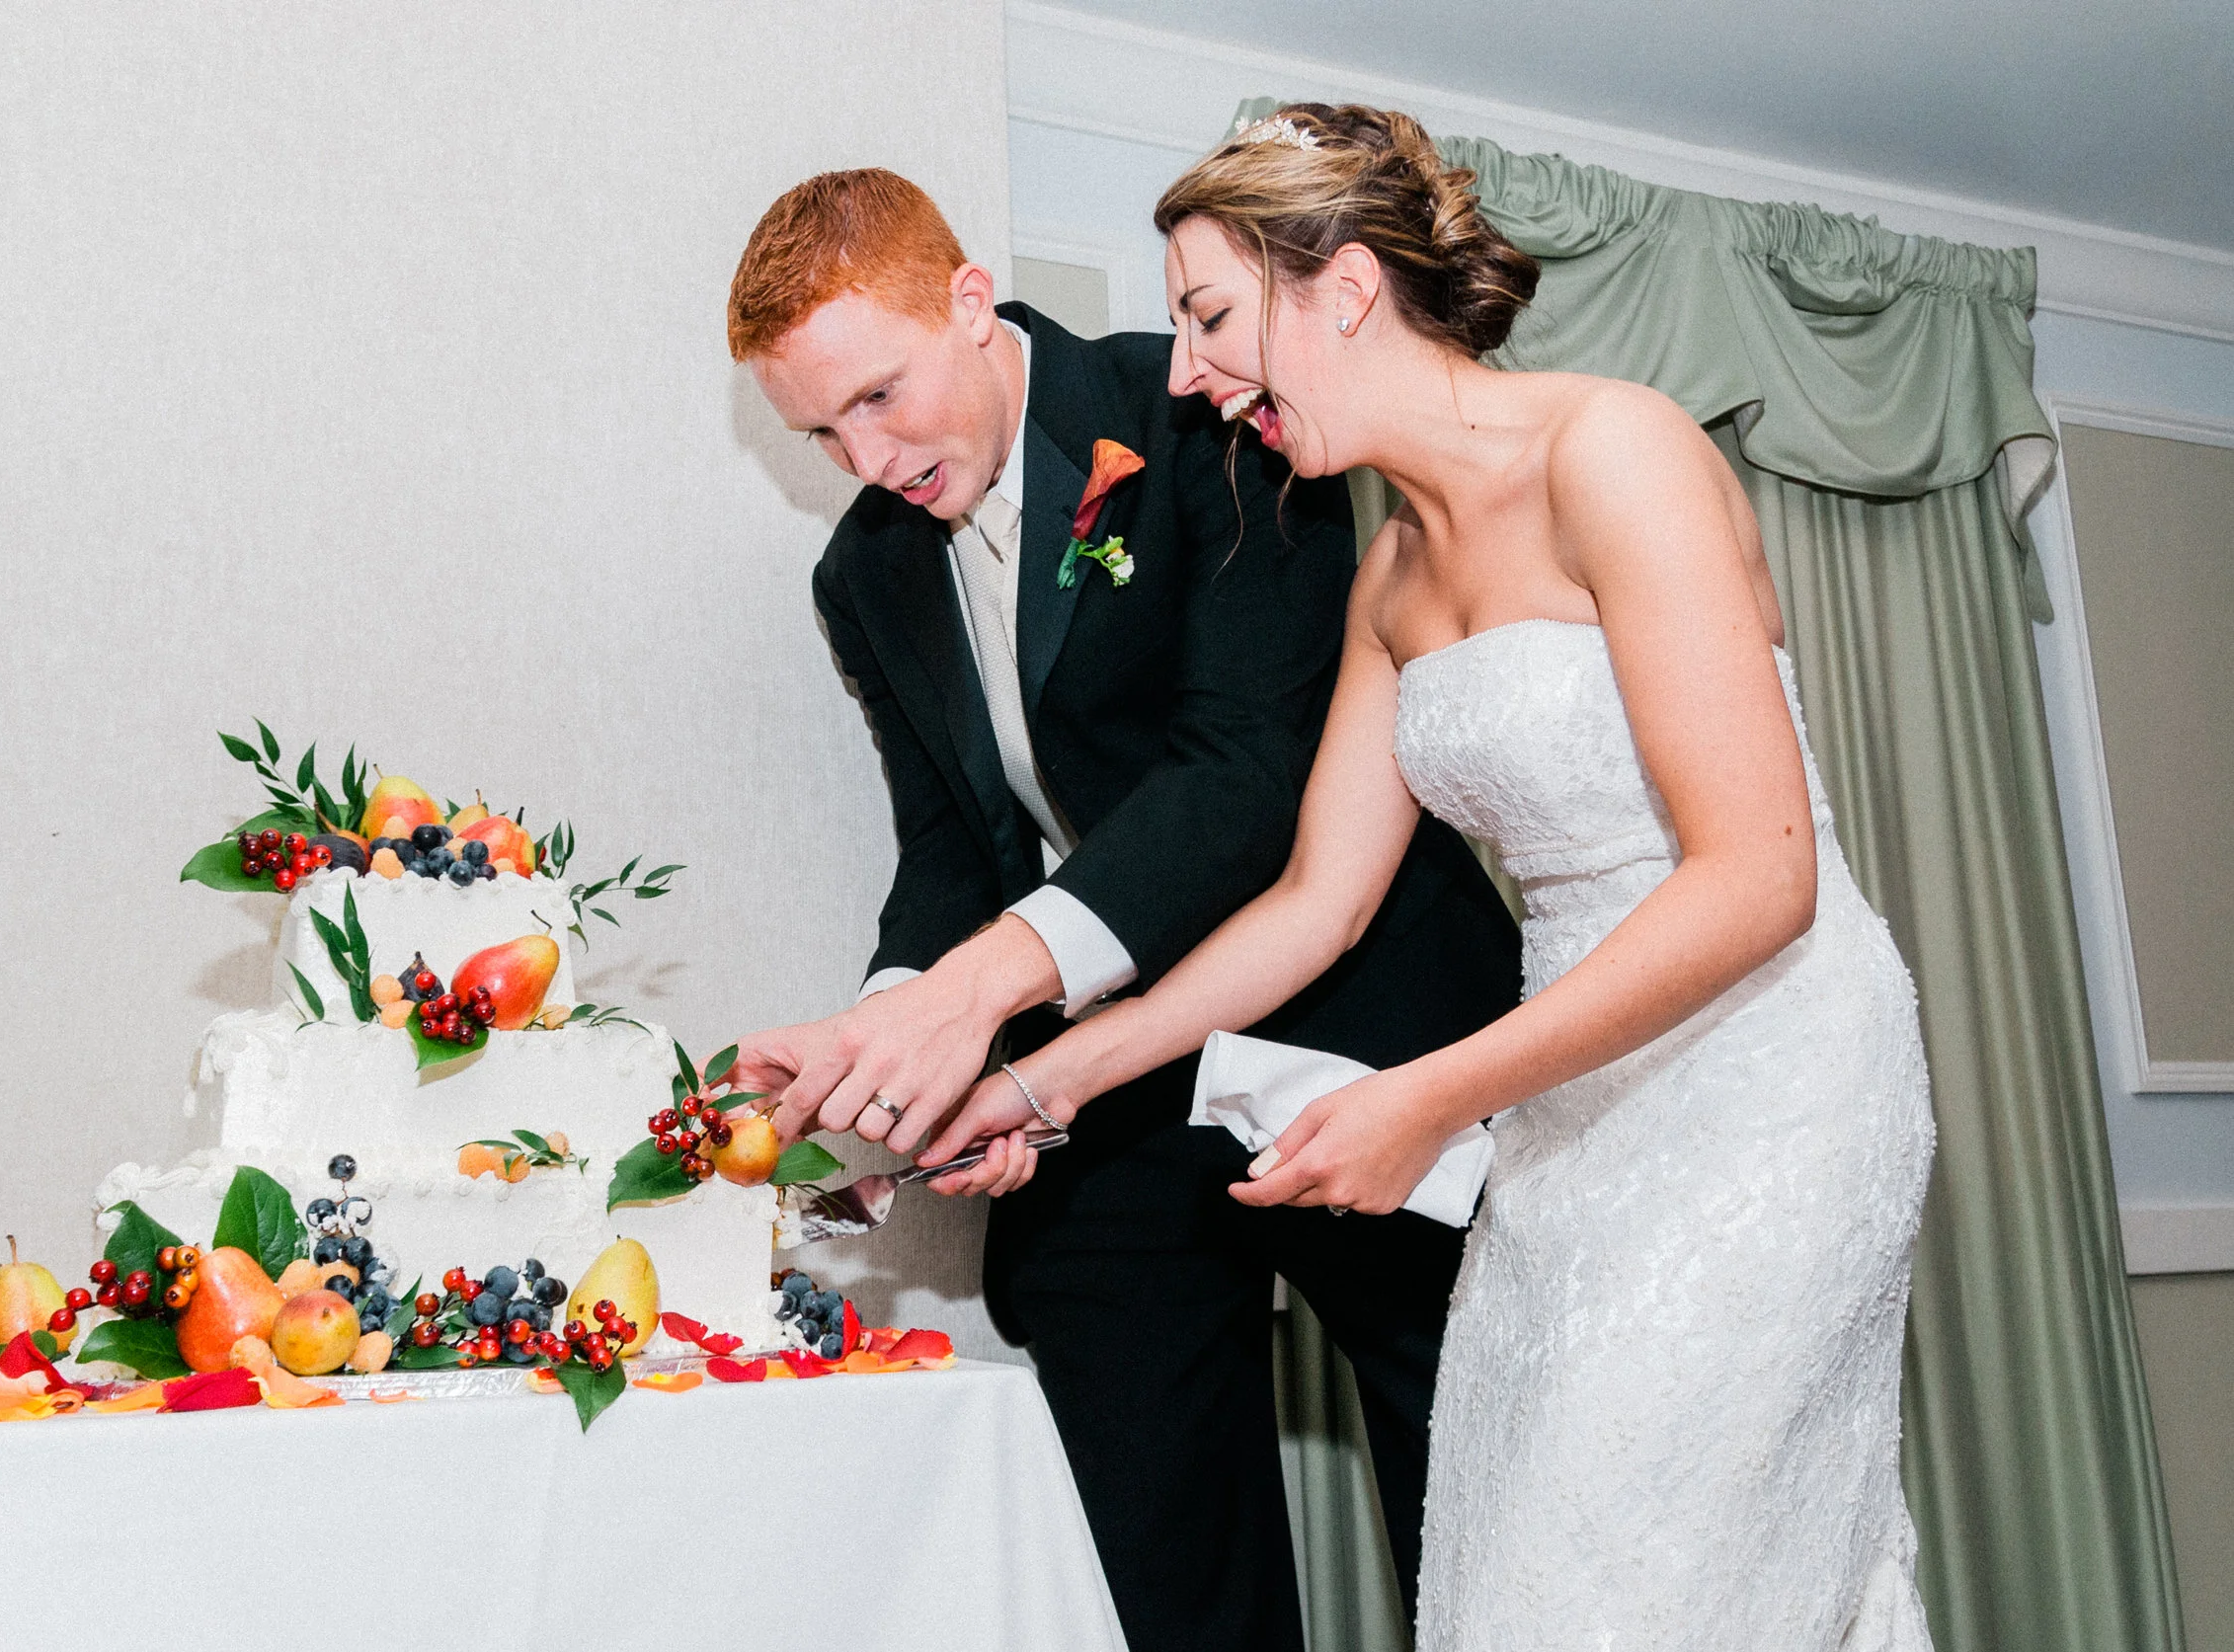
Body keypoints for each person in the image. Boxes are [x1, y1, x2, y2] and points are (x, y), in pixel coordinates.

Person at [925, 105, 1939, 1650]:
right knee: (1506, 1561)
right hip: (1567, 1101)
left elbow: (1760, 879)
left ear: (1341, 287)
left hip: (1767, 1082)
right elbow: (1315, 905)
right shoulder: (1392, 569)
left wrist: (1436, 1095)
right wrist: (1049, 1084)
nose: (1186, 374)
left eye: (1208, 316)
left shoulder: (1618, 451)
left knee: (1639, 1579)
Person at [723, 169, 1523, 1652]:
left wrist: (984, 995)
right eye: (821, 432)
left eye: (881, 398)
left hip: (1371, 1025)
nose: (864, 454)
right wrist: (888, 1031)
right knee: (1105, 1353)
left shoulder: (1208, 407)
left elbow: (1251, 771)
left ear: (971, 304)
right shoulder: (866, 574)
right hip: (1136, 1068)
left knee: (1475, 1490)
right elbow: (956, 849)